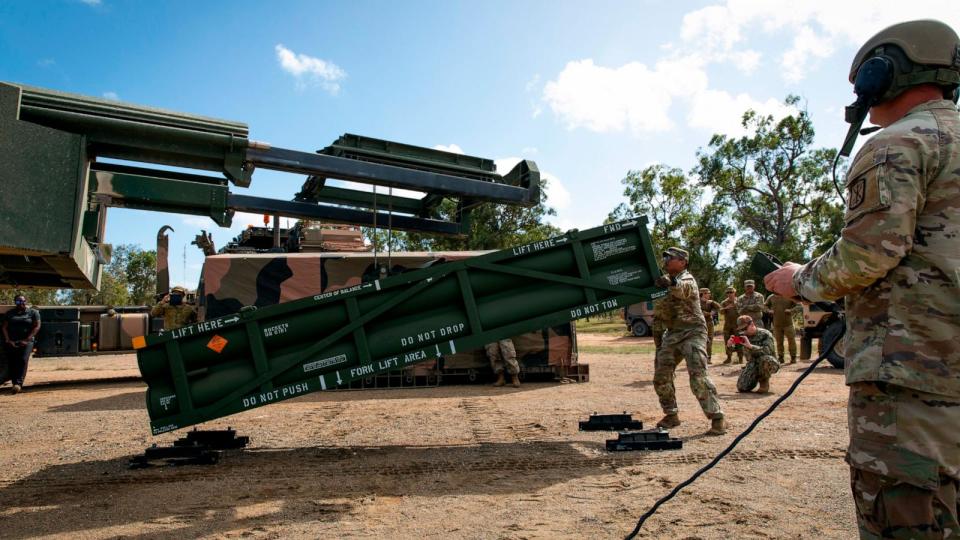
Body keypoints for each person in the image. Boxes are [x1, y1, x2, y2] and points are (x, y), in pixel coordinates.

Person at [764, 19, 960, 538]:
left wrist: (798, 280)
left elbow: (866, 257)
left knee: (908, 516)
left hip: (913, 380)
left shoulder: (898, 144)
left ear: (882, 73)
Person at [652, 247, 726, 435]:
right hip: (673, 333)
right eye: (666, 258)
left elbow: (682, 290)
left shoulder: (687, 279)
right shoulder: (663, 282)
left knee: (698, 376)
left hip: (693, 332)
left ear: (683, 262)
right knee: (661, 376)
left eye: (671, 258)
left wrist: (670, 282)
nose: (667, 261)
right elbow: (660, 313)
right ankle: (671, 414)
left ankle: (717, 418)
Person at [728, 315, 779, 394]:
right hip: (752, 363)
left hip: (769, 362)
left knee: (765, 359)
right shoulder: (743, 337)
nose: (743, 331)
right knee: (742, 387)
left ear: (752, 325)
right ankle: (754, 378)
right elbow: (736, 350)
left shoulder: (765, 334)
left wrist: (751, 346)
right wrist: (730, 345)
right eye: (741, 329)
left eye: (744, 328)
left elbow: (768, 351)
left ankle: (764, 382)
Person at [2, 295, 41, 394]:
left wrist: (27, 340)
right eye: (18, 302)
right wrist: (8, 340)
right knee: (13, 361)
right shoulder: (10, 313)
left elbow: (37, 326)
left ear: (26, 301)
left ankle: (18, 384)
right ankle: (14, 383)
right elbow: (4, 327)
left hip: (27, 341)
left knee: (23, 360)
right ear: (15, 302)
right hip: (12, 341)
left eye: (23, 301)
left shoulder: (33, 312)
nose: (21, 303)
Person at [764, 293, 800, 364]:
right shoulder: (771, 297)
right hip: (777, 324)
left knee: (791, 341)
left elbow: (799, 306)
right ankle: (780, 358)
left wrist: (791, 310)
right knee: (779, 342)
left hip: (788, 324)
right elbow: (764, 306)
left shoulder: (789, 295)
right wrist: (768, 311)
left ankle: (793, 357)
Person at [719, 286, 744, 364]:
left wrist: (736, 305)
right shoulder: (724, 302)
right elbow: (720, 312)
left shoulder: (739, 301)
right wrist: (726, 308)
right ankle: (729, 357)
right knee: (728, 341)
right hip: (728, 325)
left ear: (734, 293)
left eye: (731, 292)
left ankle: (740, 358)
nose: (730, 294)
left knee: (738, 340)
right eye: (728, 292)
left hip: (737, 325)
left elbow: (743, 311)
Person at [699, 288, 721, 363]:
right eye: (708, 293)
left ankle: (708, 358)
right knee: (700, 340)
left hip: (709, 323)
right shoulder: (697, 302)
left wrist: (713, 311)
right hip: (700, 324)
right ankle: (700, 358)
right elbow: (699, 312)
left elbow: (718, 307)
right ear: (703, 294)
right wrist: (707, 313)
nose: (709, 294)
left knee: (709, 340)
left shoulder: (710, 302)